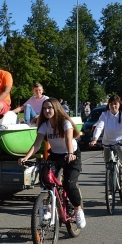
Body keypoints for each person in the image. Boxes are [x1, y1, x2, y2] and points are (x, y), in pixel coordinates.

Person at [17, 98, 85, 229]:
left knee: (69, 184)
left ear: (56, 108)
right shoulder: (44, 125)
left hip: (72, 154)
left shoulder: (65, 123)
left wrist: (70, 153)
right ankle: (48, 207)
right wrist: (26, 157)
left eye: (50, 108)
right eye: (44, 109)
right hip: (55, 155)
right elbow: (37, 144)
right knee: (45, 179)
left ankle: (78, 210)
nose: (47, 111)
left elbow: (69, 140)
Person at [89, 95, 122, 180]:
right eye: (111, 104)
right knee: (108, 163)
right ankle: (111, 181)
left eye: (115, 104)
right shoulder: (105, 114)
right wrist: (95, 139)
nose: (113, 106)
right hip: (108, 141)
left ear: (119, 104)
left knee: (120, 149)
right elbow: (99, 126)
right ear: (108, 105)